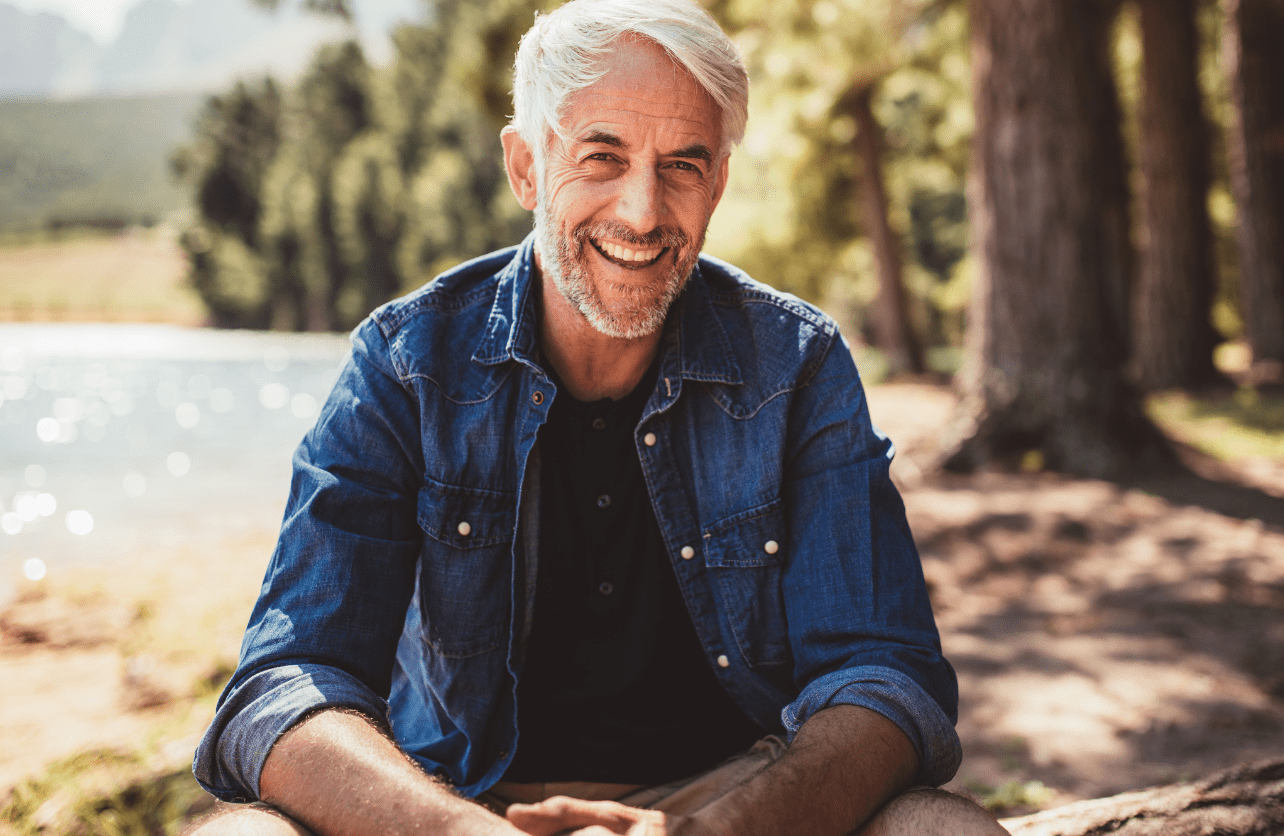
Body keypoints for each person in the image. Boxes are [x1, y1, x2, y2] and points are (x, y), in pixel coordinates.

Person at [190, 1, 1004, 833]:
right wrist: (457, 831)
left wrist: (723, 829)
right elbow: (286, 683)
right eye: (602, 157)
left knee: (941, 828)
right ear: (526, 167)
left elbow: (884, 675)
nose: (644, 212)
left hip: (739, 800)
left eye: (684, 165)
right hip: (455, 802)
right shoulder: (406, 364)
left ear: (718, 182)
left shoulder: (797, 364)